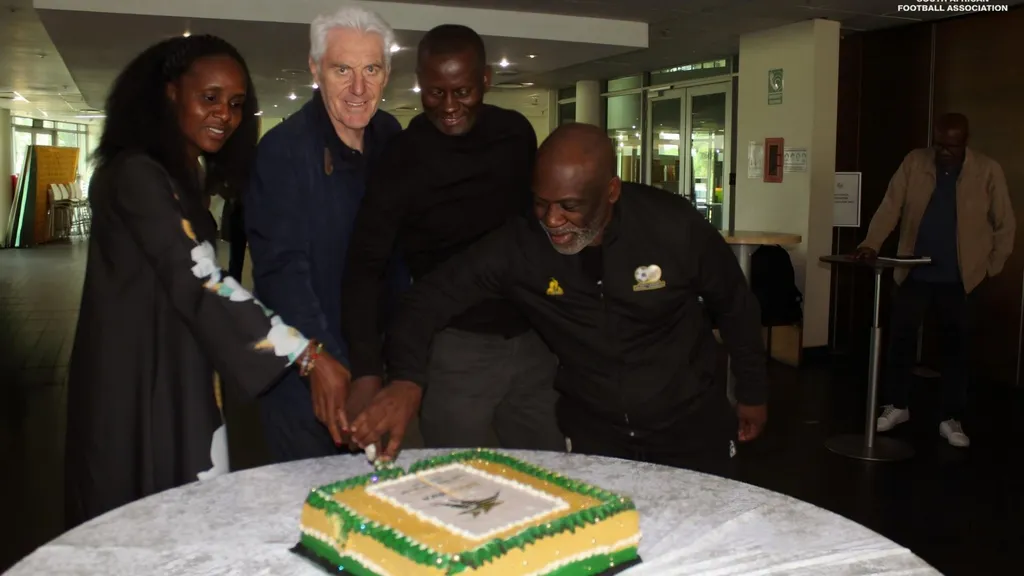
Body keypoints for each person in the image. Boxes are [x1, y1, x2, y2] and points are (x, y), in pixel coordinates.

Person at [349, 123, 769, 477]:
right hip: (595, 438)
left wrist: (752, 390)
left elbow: (734, 303)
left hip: (690, 428)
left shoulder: (673, 226)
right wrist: (406, 380)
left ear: (610, 192)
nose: (552, 220)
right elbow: (426, 300)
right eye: (541, 203)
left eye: (570, 206)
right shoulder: (521, 247)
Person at [64, 34, 349, 529]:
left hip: (174, 359)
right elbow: (200, 275)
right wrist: (307, 354)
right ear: (170, 92)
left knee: (180, 501)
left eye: (236, 104)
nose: (225, 114)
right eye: (210, 97)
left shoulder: (174, 173)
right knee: (140, 510)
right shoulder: (135, 173)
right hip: (137, 373)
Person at [341, 24, 563, 451]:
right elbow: (365, 266)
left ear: (485, 80)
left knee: (549, 470)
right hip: (453, 345)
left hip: (532, 337)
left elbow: (538, 229)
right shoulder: (402, 159)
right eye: (434, 92)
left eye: (462, 91)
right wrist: (367, 370)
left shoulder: (515, 135)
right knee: (458, 481)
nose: (448, 107)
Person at [245, 4, 407, 462]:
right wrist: (323, 360)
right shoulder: (284, 151)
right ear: (316, 69)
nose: (359, 88)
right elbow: (280, 273)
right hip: (312, 375)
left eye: (371, 69)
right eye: (342, 70)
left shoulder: (391, 137)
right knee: (309, 516)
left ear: (387, 72)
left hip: (376, 370)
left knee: (375, 514)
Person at [856, 112, 1014, 448]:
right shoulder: (915, 162)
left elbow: (1005, 223)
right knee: (899, 341)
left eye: (952, 146)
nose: (944, 152)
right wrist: (871, 242)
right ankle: (897, 406)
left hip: (961, 279)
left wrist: (991, 267)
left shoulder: (987, 170)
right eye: (940, 144)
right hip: (914, 272)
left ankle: (950, 418)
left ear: (965, 142)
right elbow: (890, 205)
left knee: (956, 349)